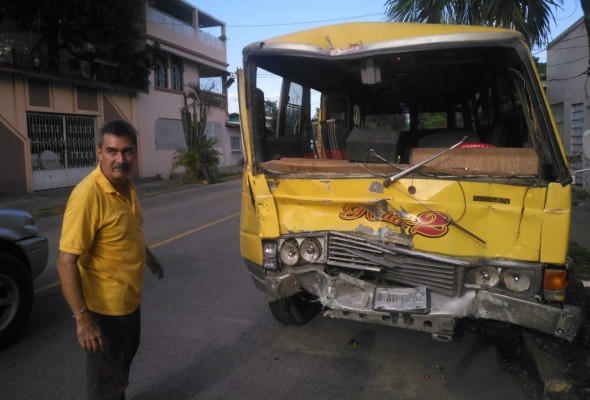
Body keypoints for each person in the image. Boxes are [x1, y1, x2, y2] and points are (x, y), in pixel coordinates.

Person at [56, 120, 164, 400]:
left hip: (129, 301)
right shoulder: (87, 196)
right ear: (99, 153)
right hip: (105, 310)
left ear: (135, 153)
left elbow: (128, 233)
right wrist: (82, 319)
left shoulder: (126, 186)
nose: (120, 159)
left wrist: (148, 257)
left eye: (127, 151)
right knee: (106, 382)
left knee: (118, 373)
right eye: (112, 151)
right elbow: (65, 262)